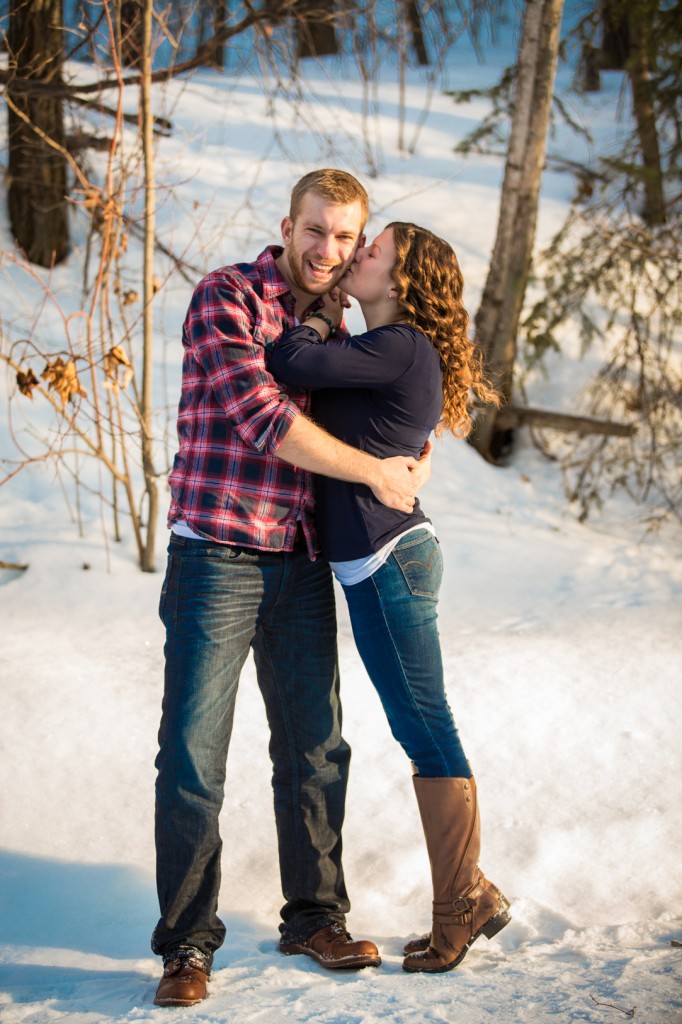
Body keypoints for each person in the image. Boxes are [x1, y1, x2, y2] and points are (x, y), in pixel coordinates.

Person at [153, 172, 431, 1007]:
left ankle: (314, 917)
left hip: (303, 562)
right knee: (193, 760)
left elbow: (394, 410)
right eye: (316, 230)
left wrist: (410, 464)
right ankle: (187, 946)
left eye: (346, 238)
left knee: (315, 750)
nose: (328, 249)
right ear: (288, 225)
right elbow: (266, 421)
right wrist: (376, 475)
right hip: (216, 558)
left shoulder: (338, 326)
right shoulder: (227, 296)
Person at [269, 221, 510, 974]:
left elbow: (286, 358)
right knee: (421, 727)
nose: (353, 254)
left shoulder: (400, 344)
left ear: (401, 279)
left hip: (390, 558)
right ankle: (473, 892)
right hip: (375, 562)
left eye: (370, 251)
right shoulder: (381, 350)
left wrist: (313, 314)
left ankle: (461, 906)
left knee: (426, 728)